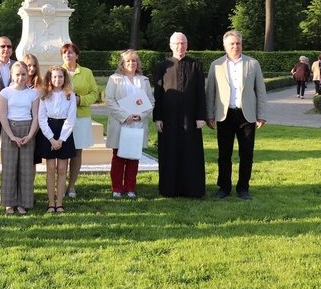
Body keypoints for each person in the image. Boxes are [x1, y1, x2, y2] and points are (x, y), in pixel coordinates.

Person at [206, 30, 267, 200]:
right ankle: (224, 188)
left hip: (246, 116)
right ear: (225, 46)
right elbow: (210, 92)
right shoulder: (216, 65)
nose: (235, 47)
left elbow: (261, 92)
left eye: (238, 43)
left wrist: (261, 115)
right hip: (224, 116)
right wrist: (209, 115)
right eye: (231, 44)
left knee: (246, 154)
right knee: (224, 154)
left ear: (242, 44)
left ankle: (243, 188)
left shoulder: (253, 64)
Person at [153, 32, 206, 198]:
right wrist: (158, 117)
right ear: (170, 46)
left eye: (183, 43)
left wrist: (201, 116)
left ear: (187, 45)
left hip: (191, 118)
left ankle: (193, 189)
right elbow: (158, 94)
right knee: (170, 152)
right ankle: (169, 189)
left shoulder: (196, 65)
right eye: (176, 43)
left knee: (191, 152)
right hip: (168, 118)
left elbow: (200, 93)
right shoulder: (163, 66)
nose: (180, 46)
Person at [105, 49, 155, 199]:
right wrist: (124, 116)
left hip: (137, 124)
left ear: (137, 63)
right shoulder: (114, 79)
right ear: (122, 63)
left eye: (134, 60)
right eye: (128, 61)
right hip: (121, 123)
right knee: (119, 157)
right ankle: (117, 188)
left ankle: (130, 187)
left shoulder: (144, 80)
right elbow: (110, 101)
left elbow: (150, 101)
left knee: (133, 157)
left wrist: (140, 115)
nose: (131, 63)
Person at [0, 61, 40, 214]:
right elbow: (2, 116)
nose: (21, 77)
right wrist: (11, 136)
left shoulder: (33, 94)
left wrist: (29, 136)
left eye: (23, 74)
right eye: (17, 74)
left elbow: (36, 117)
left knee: (26, 169)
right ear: (12, 75)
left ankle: (23, 202)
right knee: (9, 168)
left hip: (27, 130)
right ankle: (9, 202)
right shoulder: (5, 92)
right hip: (10, 130)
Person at [61, 42, 99, 198]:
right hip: (62, 118)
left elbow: (94, 93)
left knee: (77, 152)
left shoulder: (86, 72)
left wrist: (80, 100)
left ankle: (71, 186)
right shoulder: (58, 71)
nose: (67, 55)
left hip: (81, 117)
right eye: (65, 53)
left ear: (77, 55)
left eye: (70, 52)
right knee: (62, 152)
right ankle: (61, 185)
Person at [38, 65, 76, 213]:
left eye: (60, 76)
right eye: (54, 77)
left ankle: (59, 203)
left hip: (64, 132)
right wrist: (51, 139)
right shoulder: (45, 95)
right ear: (49, 78)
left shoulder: (70, 95)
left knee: (61, 169)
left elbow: (71, 118)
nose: (57, 79)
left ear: (64, 78)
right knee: (50, 169)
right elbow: (41, 118)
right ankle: (51, 203)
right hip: (49, 131)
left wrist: (61, 139)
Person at [0, 35, 15, 193]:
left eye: (9, 46)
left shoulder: (18, 66)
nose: (6, 49)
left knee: (10, 152)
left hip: (12, 117)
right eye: (2, 46)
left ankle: (9, 183)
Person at [23, 53, 43, 171]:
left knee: (32, 160)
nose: (31, 68)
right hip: (20, 123)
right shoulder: (17, 83)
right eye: (28, 65)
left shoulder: (41, 85)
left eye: (34, 66)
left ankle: (29, 186)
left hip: (36, 125)